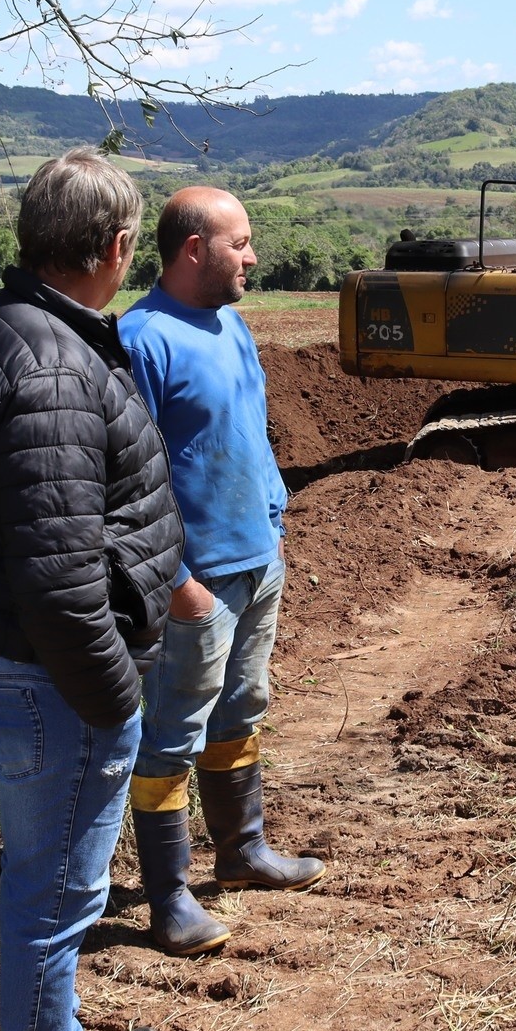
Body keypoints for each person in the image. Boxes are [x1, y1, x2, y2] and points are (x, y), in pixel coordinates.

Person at [0, 149, 178, 1031]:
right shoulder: (55, 366)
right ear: (116, 247)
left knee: (53, 883)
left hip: (19, 651)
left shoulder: (10, 329)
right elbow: (60, 574)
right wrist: (117, 700)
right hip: (50, 670)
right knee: (56, 896)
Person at [117, 186, 325, 956]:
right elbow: (129, 483)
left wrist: (274, 524)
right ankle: (168, 897)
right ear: (194, 249)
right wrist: (178, 583)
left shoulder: (232, 326)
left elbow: (248, 433)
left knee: (240, 709)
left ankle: (241, 854)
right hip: (194, 586)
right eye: (240, 242)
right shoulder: (141, 340)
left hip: (255, 561)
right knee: (171, 731)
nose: (254, 255)